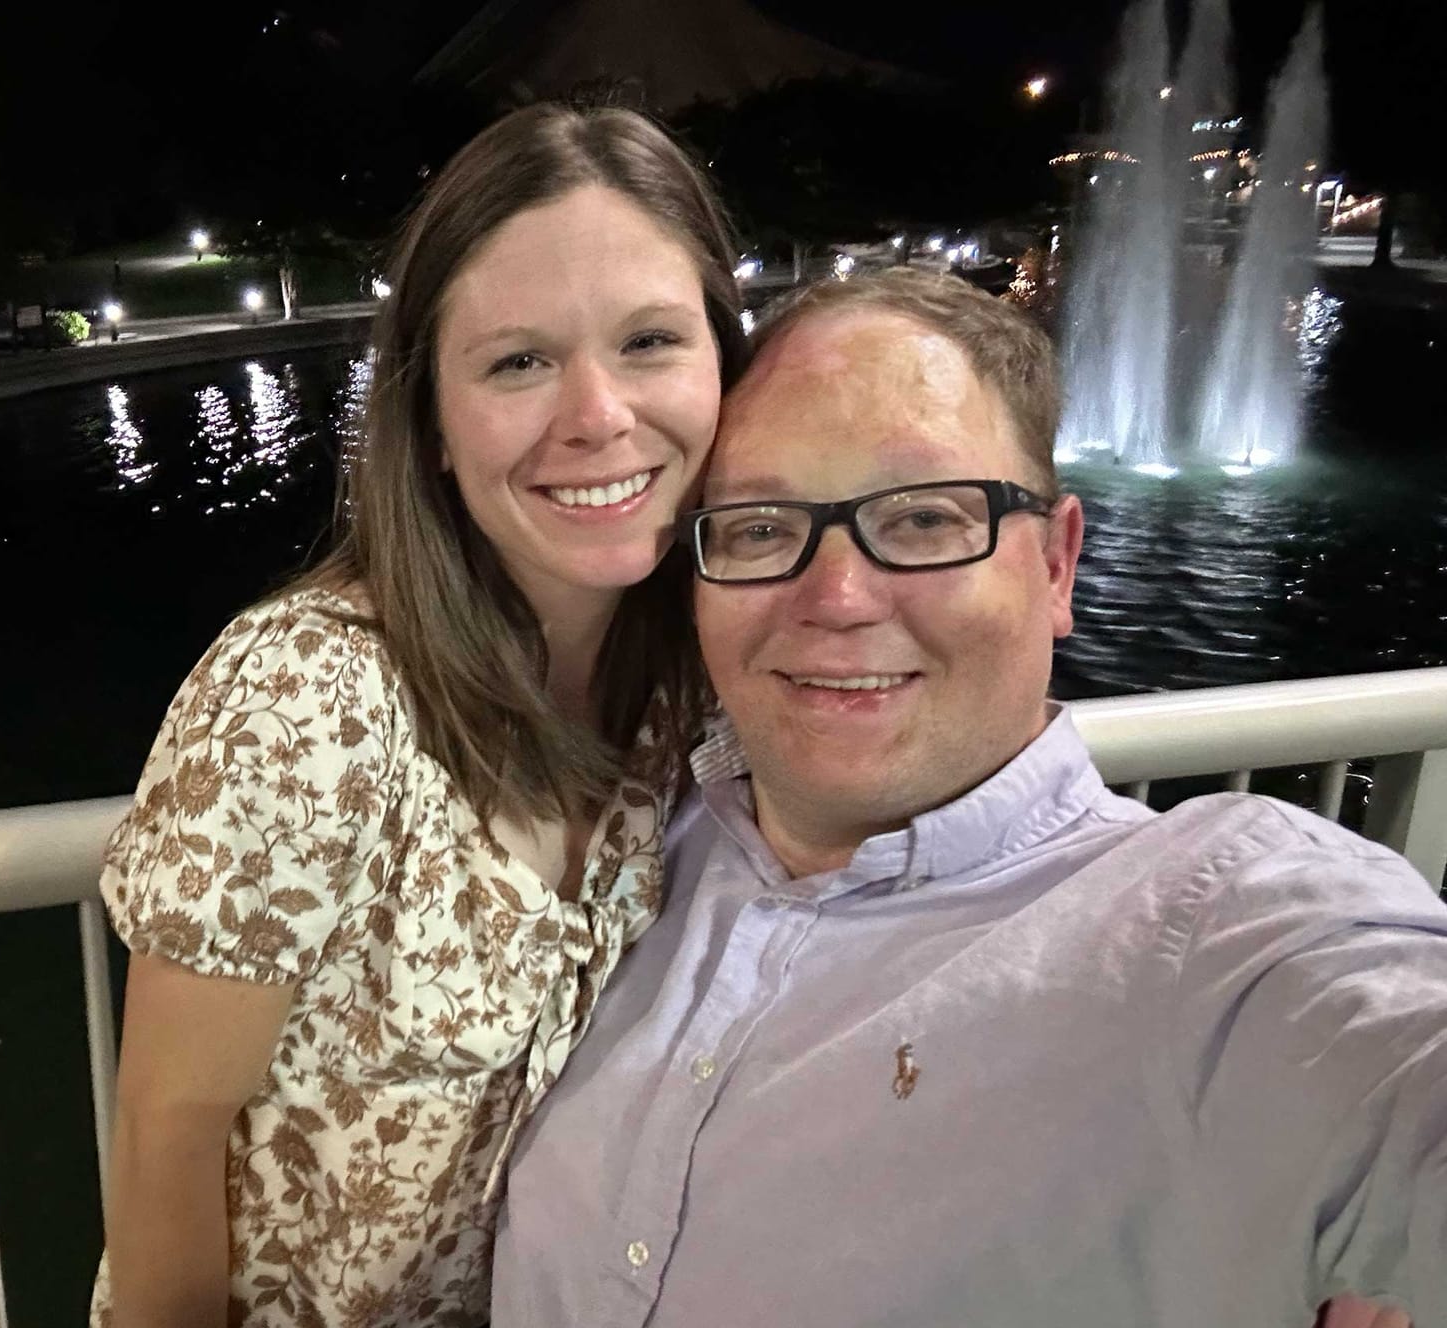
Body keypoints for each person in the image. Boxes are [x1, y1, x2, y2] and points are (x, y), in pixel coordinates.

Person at [492, 267, 1447, 1327]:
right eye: (760, 527)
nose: (837, 598)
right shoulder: (615, 852)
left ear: (1055, 563)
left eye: (923, 518)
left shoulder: (1207, 934)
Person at [89, 102, 750, 1328]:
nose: (597, 414)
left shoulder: (689, 691)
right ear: (433, 425)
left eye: (650, 340)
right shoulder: (307, 700)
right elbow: (164, 1131)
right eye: (517, 361)